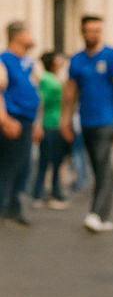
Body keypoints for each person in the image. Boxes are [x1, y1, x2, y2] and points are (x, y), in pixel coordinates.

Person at [61, 16, 113, 233]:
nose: (93, 34)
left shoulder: (112, 56)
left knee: (105, 168)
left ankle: (97, 213)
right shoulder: (77, 60)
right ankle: (100, 214)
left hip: (108, 121)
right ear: (82, 32)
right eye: (89, 30)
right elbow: (70, 93)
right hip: (87, 121)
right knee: (97, 167)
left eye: (97, 30)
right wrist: (65, 120)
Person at [0, 22, 41, 226]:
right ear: (18, 36)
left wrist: (37, 123)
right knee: (7, 165)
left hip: (27, 120)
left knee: (22, 166)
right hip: (11, 120)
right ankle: (3, 207)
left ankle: (14, 207)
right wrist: (4, 119)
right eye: (29, 32)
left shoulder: (28, 62)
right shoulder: (4, 60)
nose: (32, 37)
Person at [32, 51, 68, 208]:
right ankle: (42, 193)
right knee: (46, 161)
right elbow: (41, 103)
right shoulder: (47, 80)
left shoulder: (53, 79)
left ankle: (52, 191)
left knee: (55, 160)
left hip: (56, 124)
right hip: (49, 124)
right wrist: (38, 124)